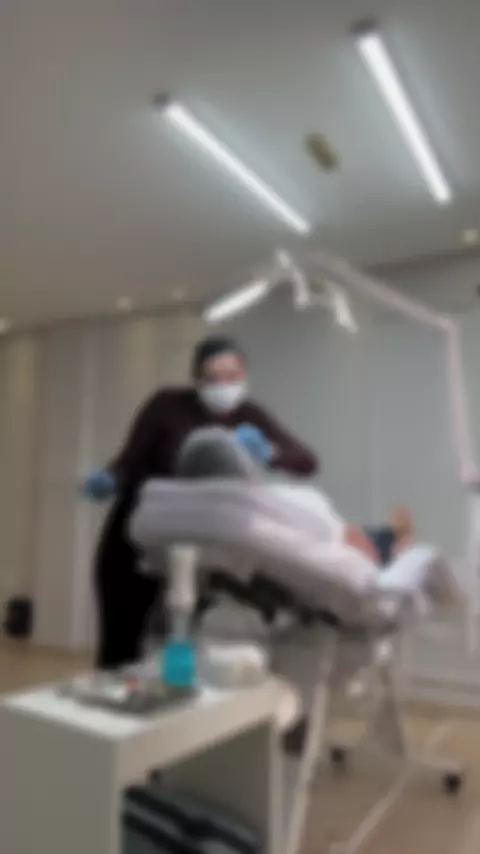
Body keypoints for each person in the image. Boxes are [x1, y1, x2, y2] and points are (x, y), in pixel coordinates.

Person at [82, 336, 318, 669]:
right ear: (196, 378)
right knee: (121, 650)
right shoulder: (166, 405)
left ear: (245, 375)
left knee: (176, 651)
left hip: (195, 553)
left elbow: (307, 462)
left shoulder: (249, 415)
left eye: (232, 376)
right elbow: (128, 462)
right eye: (212, 377)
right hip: (135, 543)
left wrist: (269, 452)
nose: (223, 385)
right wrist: (110, 479)